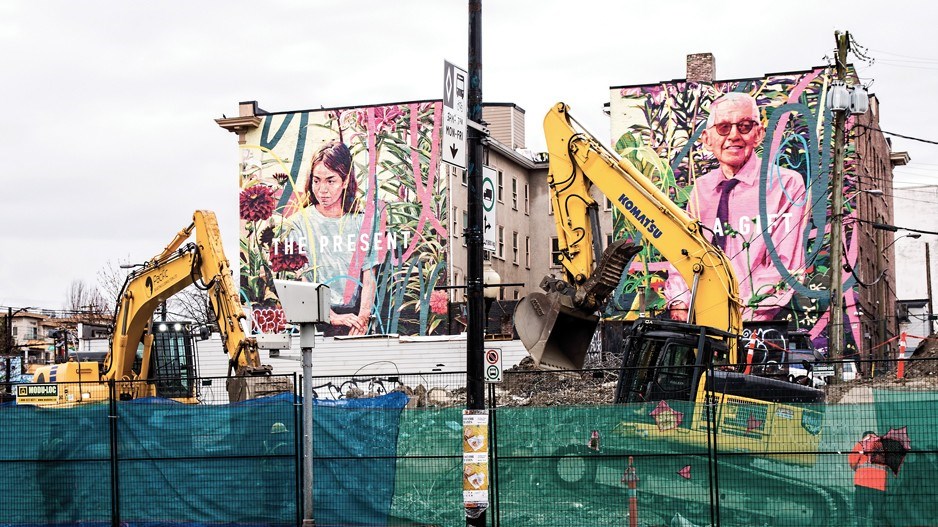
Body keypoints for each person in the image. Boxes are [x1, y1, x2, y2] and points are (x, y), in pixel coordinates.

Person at [664, 92, 808, 321]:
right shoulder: (701, 189)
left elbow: (785, 267)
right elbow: (685, 254)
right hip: (702, 325)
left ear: (758, 134)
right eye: (723, 128)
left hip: (755, 325)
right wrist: (680, 302)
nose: (733, 136)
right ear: (707, 139)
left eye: (744, 126)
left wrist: (737, 313)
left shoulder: (786, 185)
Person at [286, 140, 382, 336]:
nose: (322, 189)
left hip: (355, 319)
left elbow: (369, 274)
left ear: (345, 181)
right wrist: (331, 317)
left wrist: (362, 318)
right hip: (312, 321)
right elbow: (302, 280)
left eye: (330, 181)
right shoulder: (298, 223)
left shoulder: (363, 221)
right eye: (316, 180)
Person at [848, 431, 890, 527]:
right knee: (878, 512)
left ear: (865, 436)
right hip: (880, 485)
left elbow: (852, 460)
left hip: (863, 483)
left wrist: (858, 470)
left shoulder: (862, 444)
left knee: (861, 511)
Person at [262, 422, 292, 510]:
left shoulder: (264, 444)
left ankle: (267, 507)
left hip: (265, 473)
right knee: (278, 492)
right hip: (278, 473)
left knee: (267, 491)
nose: (284, 436)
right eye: (282, 434)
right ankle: (277, 508)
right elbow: (287, 462)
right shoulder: (282, 446)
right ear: (279, 435)